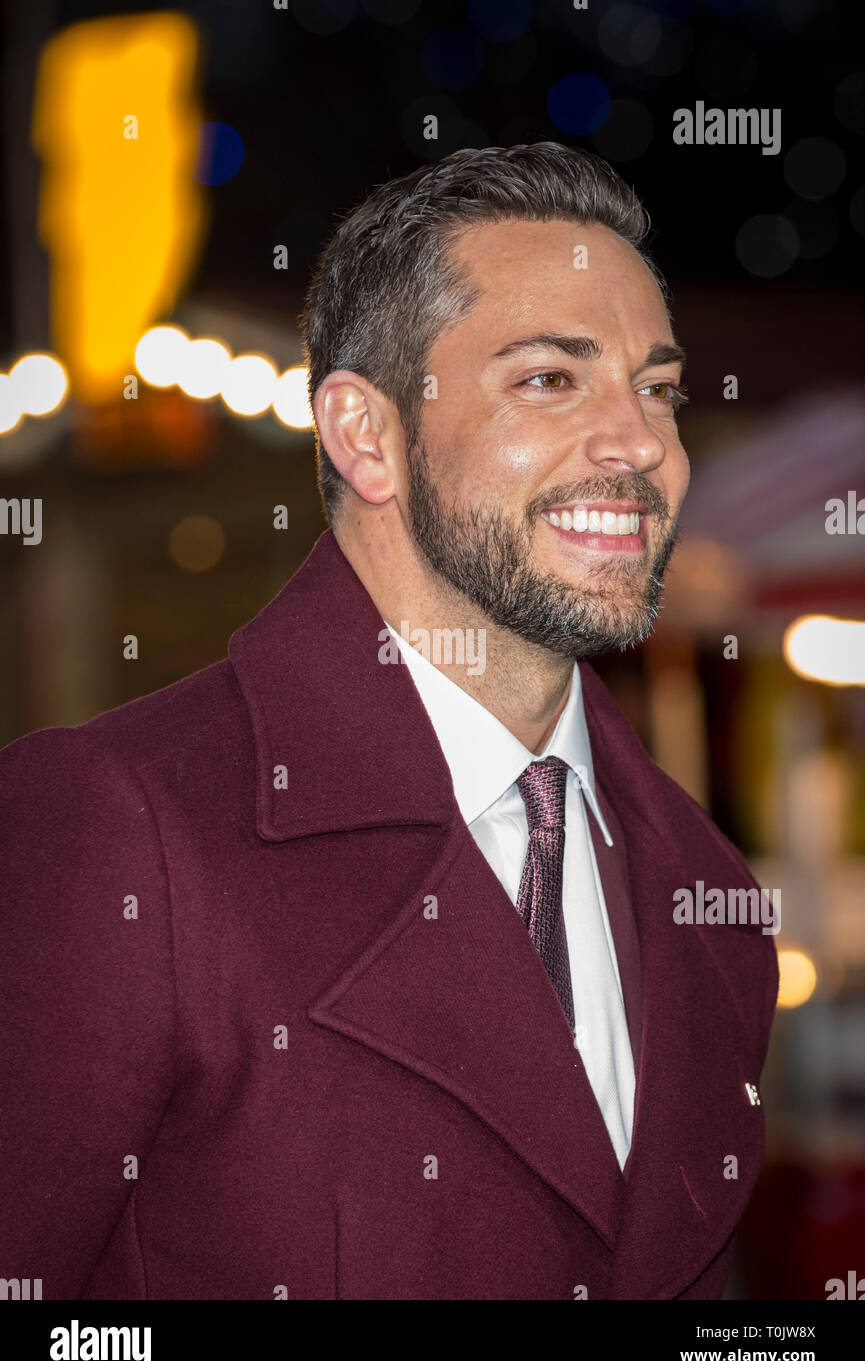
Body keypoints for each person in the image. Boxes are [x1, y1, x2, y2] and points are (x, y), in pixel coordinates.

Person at [0, 143, 777, 1300]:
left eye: (654, 386)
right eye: (549, 379)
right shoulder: (121, 826)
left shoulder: (709, 891)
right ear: (366, 436)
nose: (640, 444)